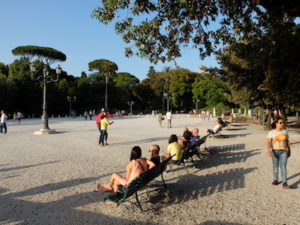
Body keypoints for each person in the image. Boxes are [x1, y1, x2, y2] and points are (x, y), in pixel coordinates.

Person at [267, 117, 291, 189]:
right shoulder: (271, 132)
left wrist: (289, 150)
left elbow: (287, 142)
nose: (282, 124)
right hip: (275, 151)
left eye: (283, 122)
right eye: (280, 123)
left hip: (284, 151)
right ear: (276, 123)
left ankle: (285, 183)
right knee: (275, 166)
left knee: (283, 166)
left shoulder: (285, 132)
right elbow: (268, 142)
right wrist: (269, 150)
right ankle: (275, 180)